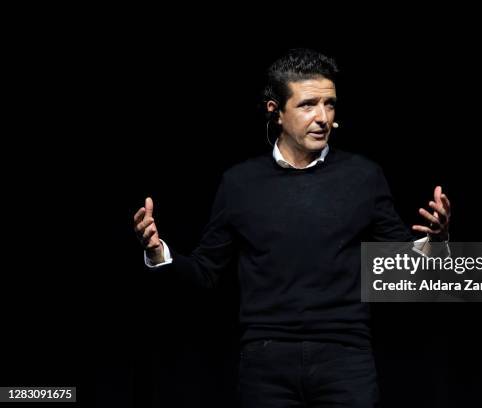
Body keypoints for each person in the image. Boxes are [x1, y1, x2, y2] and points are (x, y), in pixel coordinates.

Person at [133, 48, 451, 407]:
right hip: (265, 363)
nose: (322, 118)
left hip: (346, 359)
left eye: (329, 104)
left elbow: (405, 271)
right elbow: (206, 272)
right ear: (276, 111)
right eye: (308, 105)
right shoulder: (240, 183)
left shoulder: (363, 177)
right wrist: (159, 255)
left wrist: (435, 241)